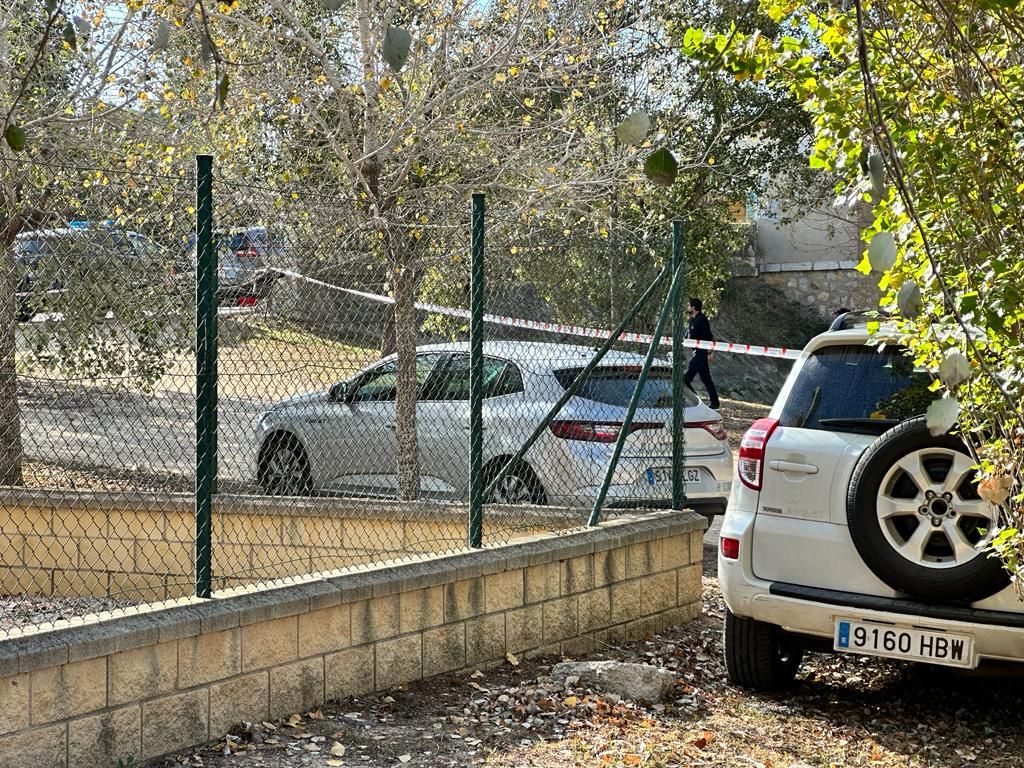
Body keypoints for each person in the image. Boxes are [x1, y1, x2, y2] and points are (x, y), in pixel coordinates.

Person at [684, 297, 720, 410]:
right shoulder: (691, 320)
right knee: (706, 379)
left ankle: (692, 400)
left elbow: (708, 337)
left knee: (685, 379)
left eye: (689, 305)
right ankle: (715, 402)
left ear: (693, 307)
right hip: (696, 352)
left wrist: (709, 353)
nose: (688, 307)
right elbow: (686, 336)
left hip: (701, 353)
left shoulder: (702, 320)